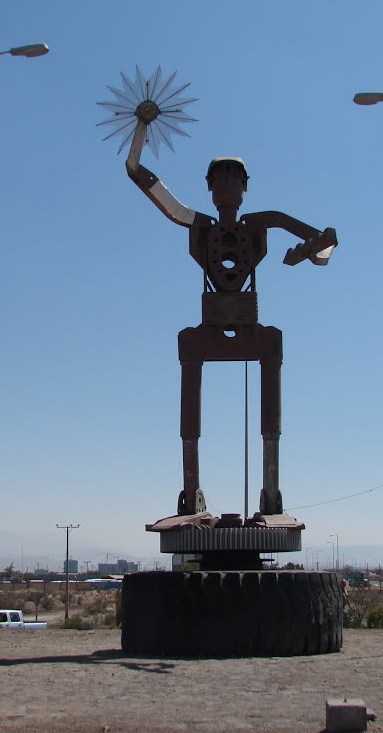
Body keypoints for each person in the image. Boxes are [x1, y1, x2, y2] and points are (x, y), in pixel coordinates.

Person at [123, 106, 337, 517]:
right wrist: (141, 127)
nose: (226, 185)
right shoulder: (197, 222)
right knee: (191, 348)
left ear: (244, 188)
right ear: (209, 188)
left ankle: (271, 489)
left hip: (248, 317)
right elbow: (138, 173)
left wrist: (313, 252)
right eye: (219, 179)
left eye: (233, 179)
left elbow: (324, 241)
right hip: (210, 318)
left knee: (269, 346)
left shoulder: (263, 221)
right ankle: (191, 487)